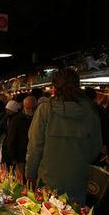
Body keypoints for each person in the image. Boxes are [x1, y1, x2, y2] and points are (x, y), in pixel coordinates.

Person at [26, 68, 102, 204]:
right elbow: (95, 149)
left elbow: (34, 147)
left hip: (48, 180)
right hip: (78, 181)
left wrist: (30, 174)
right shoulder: (90, 111)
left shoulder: (45, 109)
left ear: (54, 87)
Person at [7, 96, 37, 181]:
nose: (31, 111)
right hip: (21, 156)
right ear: (24, 107)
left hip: (34, 155)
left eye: (33, 108)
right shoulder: (16, 119)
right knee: (22, 180)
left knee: (31, 181)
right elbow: (11, 139)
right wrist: (13, 158)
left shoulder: (38, 118)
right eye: (28, 108)